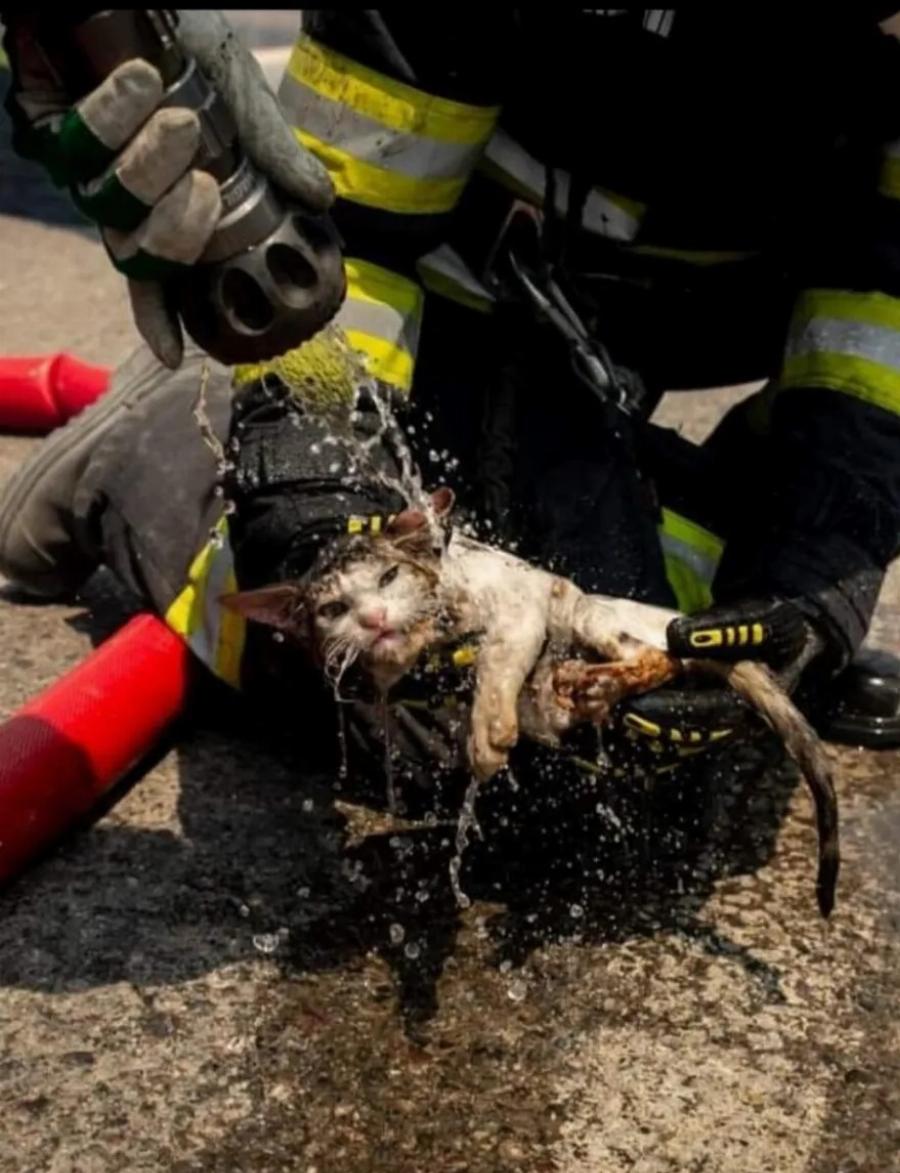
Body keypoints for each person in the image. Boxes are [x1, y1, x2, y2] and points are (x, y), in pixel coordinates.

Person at [1, 8, 899, 768]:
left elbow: (877, 358)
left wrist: (807, 594)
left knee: (633, 700)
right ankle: (155, 450)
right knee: (373, 664)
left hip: (647, 345)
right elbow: (352, 249)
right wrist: (314, 511)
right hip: (438, 295)